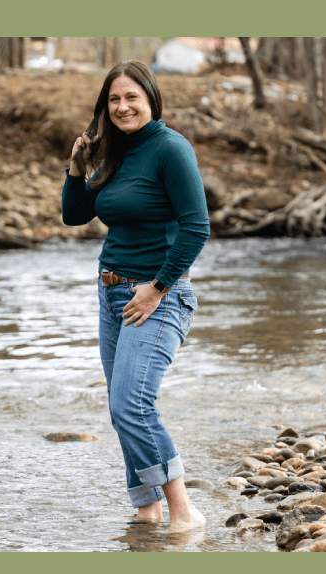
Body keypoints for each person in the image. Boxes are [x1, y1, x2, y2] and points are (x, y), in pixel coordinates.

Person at [61, 60, 210, 532]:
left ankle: (184, 512)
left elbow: (197, 228)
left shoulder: (170, 149)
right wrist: (76, 167)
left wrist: (158, 288)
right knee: (119, 405)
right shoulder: (114, 153)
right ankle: (146, 509)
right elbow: (75, 215)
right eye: (114, 100)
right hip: (111, 294)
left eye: (131, 97)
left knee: (131, 404)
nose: (123, 107)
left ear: (150, 99)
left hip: (158, 295)